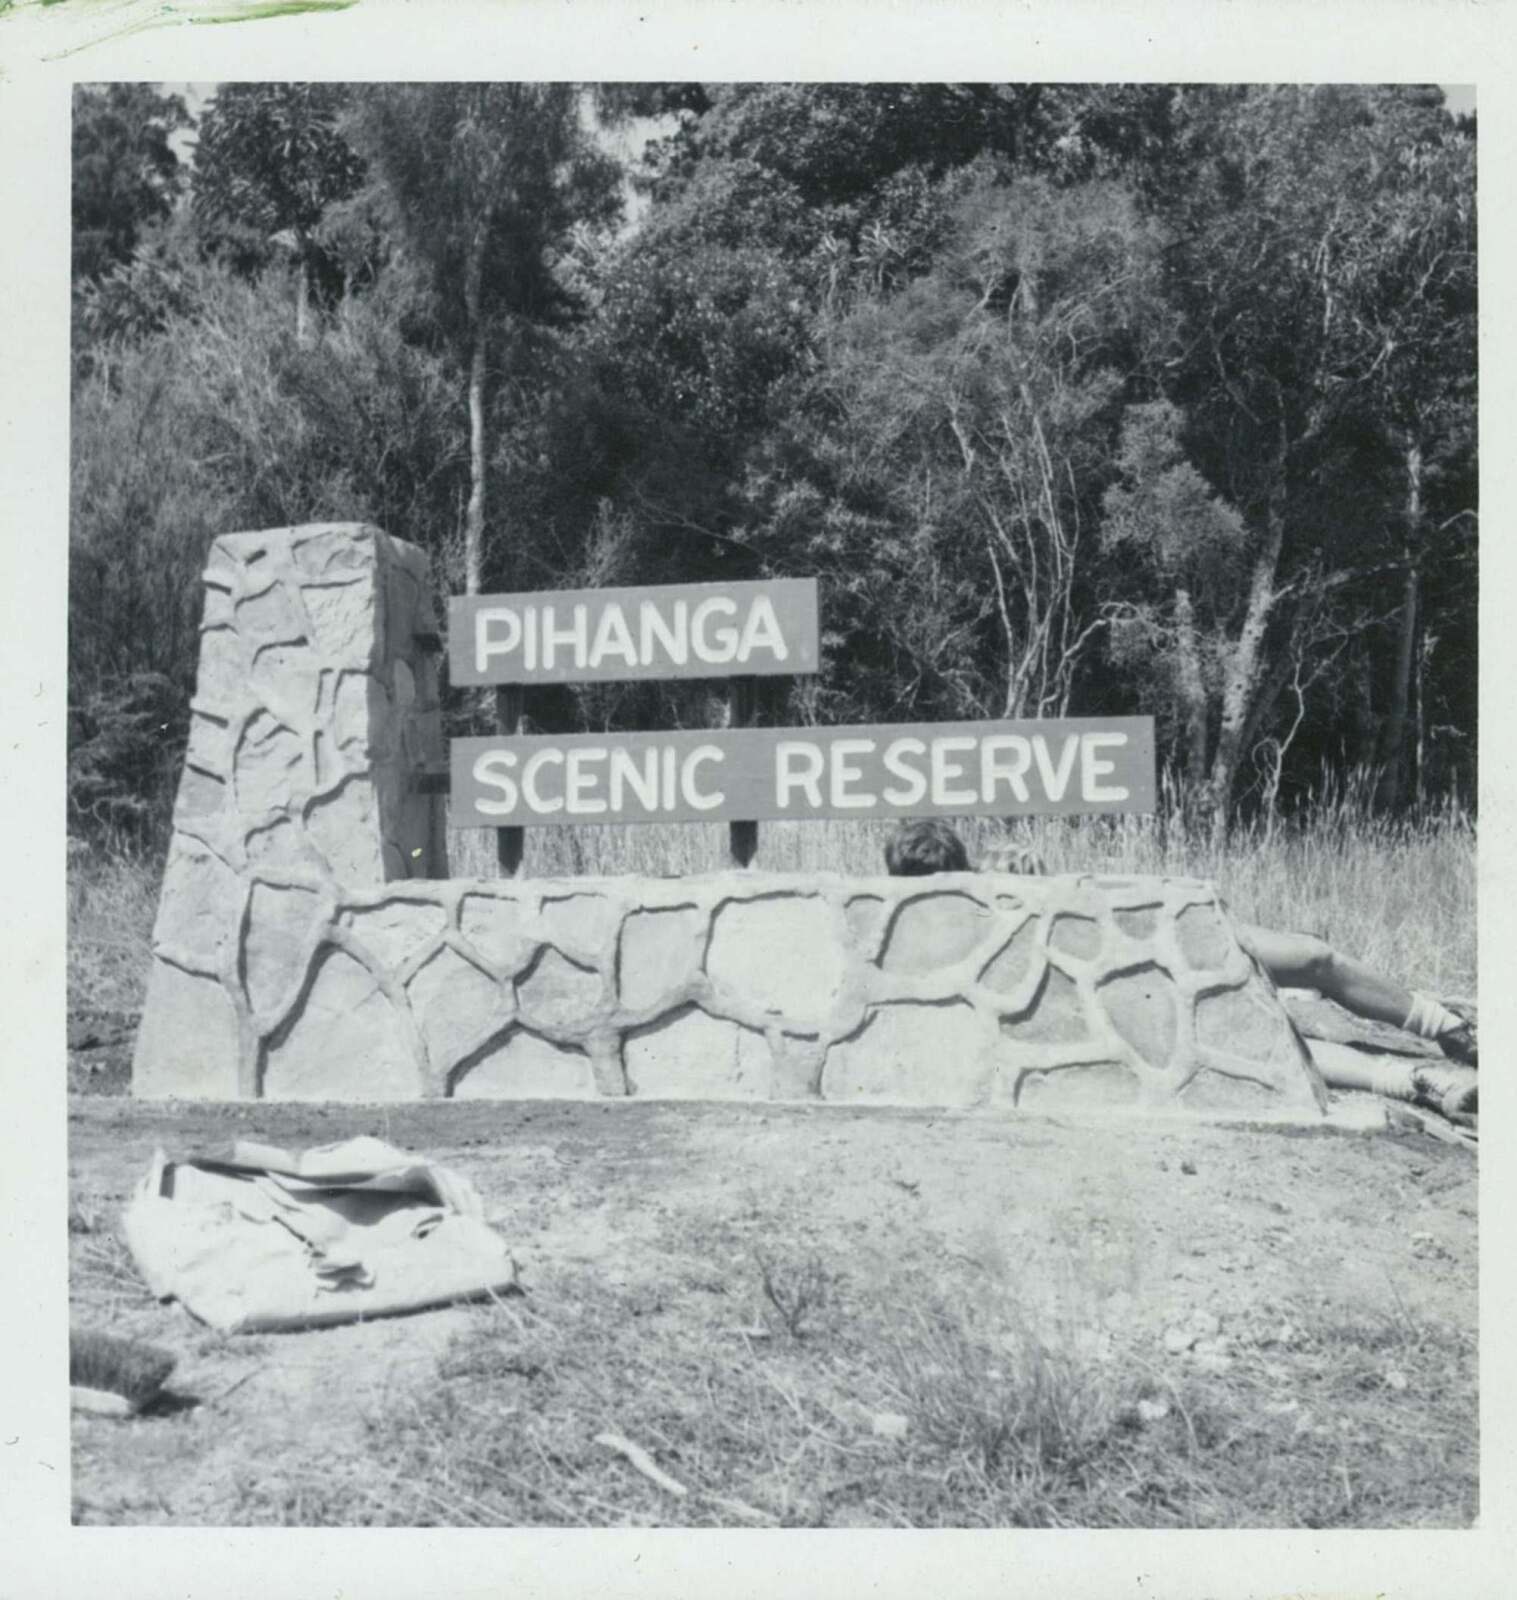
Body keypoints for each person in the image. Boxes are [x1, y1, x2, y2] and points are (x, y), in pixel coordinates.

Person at [882, 819, 1477, 1068]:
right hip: (1129, 1010)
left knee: (1313, 961)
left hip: (1154, 948)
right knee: (1288, 1025)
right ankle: (1432, 1040)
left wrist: (1039, 884)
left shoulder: (993, 887)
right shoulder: (895, 943)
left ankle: (1444, 1026)